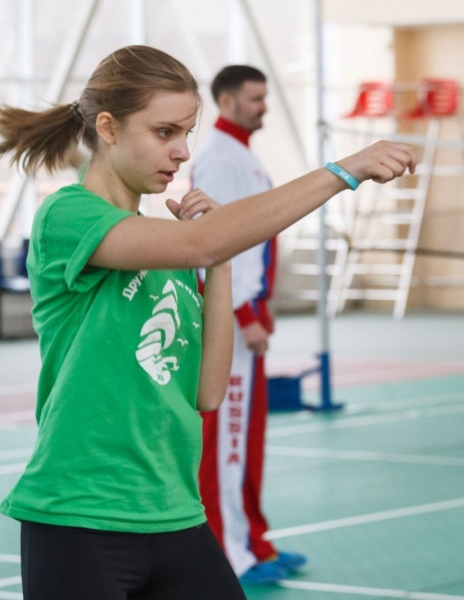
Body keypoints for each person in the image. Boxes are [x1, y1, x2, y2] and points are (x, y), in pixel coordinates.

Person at [0, 44, 415, 600]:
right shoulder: (68, 216)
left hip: (175, 513)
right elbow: (201, 241)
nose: (182, 151)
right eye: (164, 132)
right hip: (80, 519)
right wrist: (343, 172)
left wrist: (220, 263)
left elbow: (209, 391)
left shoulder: (172, 252)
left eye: (187, 133)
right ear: (108, 128)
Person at [192, 65, 304, 585]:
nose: (264, 107)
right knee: (227, 440)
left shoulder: (241, 156)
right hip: (231, 325)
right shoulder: (218, 158)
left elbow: (254, 241)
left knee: (246, 437)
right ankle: (228, 553)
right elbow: (212, 242)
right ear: (227, 100)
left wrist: (260, 307)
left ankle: (253, 540)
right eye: (255, 98)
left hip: (248, 315)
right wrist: (242, 313)